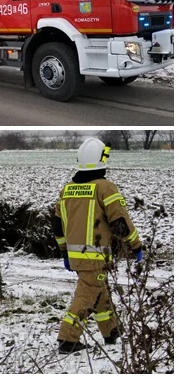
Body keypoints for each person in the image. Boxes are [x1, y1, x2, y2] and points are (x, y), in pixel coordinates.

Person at [54, 137, 143, 354]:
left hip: (76, 256)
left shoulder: (67, 190)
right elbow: (119, 222)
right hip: (96, 256)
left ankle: (111, 331)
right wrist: (135, 246)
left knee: (98, 292)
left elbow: (57, 225)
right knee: (85, 296)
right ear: (102, 160)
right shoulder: (105, 187)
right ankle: (68, 339)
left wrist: (64, 252)